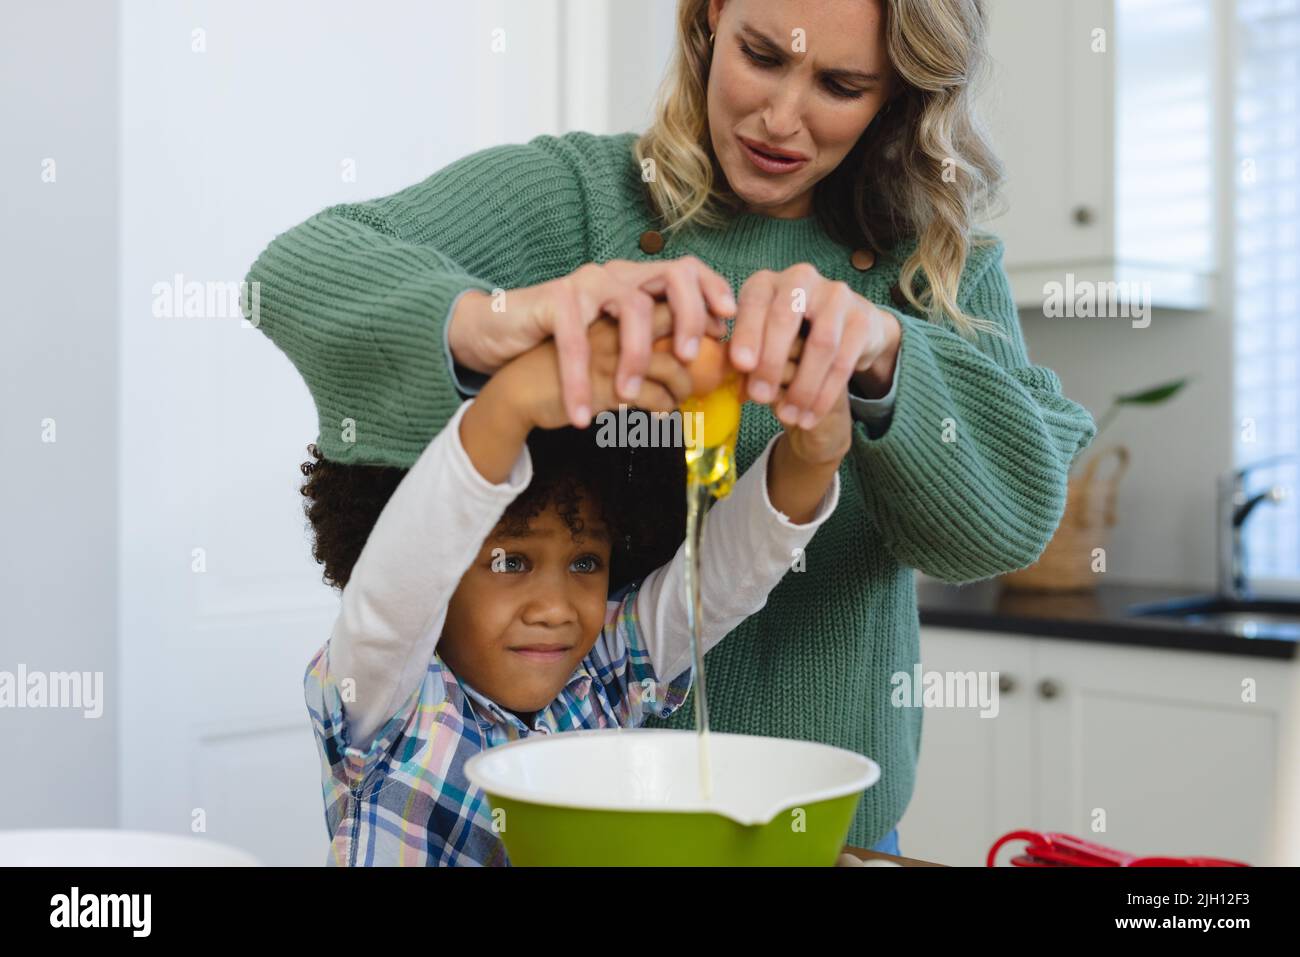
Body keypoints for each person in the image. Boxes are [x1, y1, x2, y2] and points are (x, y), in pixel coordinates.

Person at [245, 0, 1097, 854]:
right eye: (761, 56)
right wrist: (490, 322)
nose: (781, 117)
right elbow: (296, 270)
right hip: (585, 832)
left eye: (840, 84)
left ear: (899, 98)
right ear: (710, 19)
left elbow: (1008, 521)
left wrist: (884, 358)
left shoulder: (938, 268)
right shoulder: (579, 198)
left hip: (818, 836)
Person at [295, 309, 848, 865]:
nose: (557, 608)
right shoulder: (385, 698)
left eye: (585, 563)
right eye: (512, 563)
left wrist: (811, 456)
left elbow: (725, 576)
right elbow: (402, 575)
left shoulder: (603, 677)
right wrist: (512, 404)